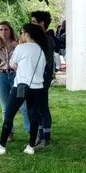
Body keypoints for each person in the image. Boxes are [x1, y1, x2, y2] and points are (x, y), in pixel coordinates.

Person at [0, 23, 50, 155]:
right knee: (33, 115)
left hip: (21, 85)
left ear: (26, 34)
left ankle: (1, 145)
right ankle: (30, 146)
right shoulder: (42, 50)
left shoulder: (21, 47)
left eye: (22, 33)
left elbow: (13, 64)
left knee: (9, 114)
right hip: (37, 87)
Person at [0, 21, 30, 139]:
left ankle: (30, 130)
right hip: (2, 76)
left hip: (16, 75)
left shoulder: (18, 44)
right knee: (5, 107)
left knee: (23, 104)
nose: (3, 32)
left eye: (6, 29)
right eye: (1, 30)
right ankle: (9, 132)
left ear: (10, 30)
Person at [30, 10, 55, 148]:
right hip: (36, 77)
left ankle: (46, 138)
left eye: (34, 22)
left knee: (43, 106)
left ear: (42, 23)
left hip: (43, 78)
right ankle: (40, 135)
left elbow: (47, 61)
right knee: (37, 106)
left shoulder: (47, 39)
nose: (32, 24)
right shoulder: (39, 38)